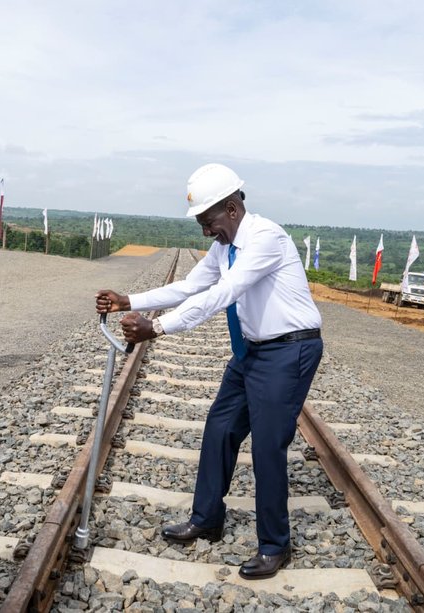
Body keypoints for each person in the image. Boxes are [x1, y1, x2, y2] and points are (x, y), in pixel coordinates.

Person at [96, 163, 323, 580]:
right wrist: (130, 299)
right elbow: (189, 286)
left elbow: (225, 293)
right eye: (201, 223)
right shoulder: (224, 248)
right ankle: (207, 519)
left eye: (209, 221)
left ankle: (275, 545)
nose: (205, 232)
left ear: (233, 208)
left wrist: (158, 327)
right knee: (220, 429)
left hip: (289, 351)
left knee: (267, 447)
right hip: (252, 352)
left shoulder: (265, 239)